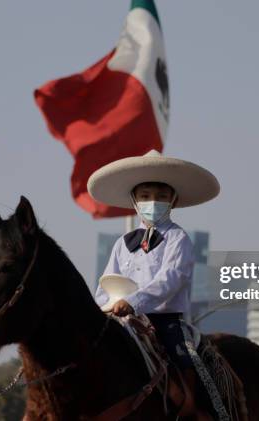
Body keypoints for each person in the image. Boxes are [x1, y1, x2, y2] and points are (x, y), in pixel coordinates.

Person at [87, 149, 220, 418]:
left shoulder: (178, 239)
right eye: (146, 196)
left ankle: (191, 408)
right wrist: (101, 306)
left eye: (161, 196)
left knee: (183, 355)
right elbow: (107, 282)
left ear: (173, 200)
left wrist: (133, 302)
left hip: (165, 319)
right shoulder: (123, 243)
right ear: (134, 201)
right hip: (122, 318)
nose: (153, 202)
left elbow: (170, 279)